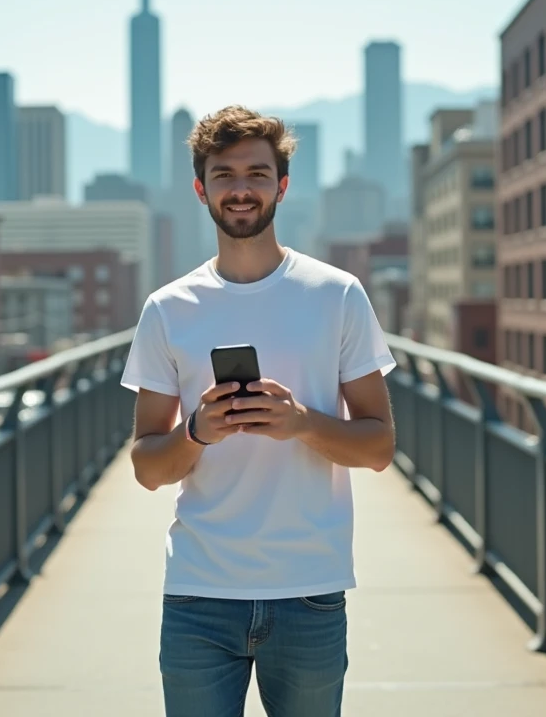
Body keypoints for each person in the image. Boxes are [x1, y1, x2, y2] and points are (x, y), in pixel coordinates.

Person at [120, 104, 397, 716]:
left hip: (310, 593)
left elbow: (379, 448)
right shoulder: (168, 309)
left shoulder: (337, 295)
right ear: (201, 188)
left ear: (282, 186)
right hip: (198, 595)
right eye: (223, 174)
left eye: (256, 173)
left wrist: (301, 424)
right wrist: (195, 432)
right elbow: (146, 466)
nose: (240, 188)